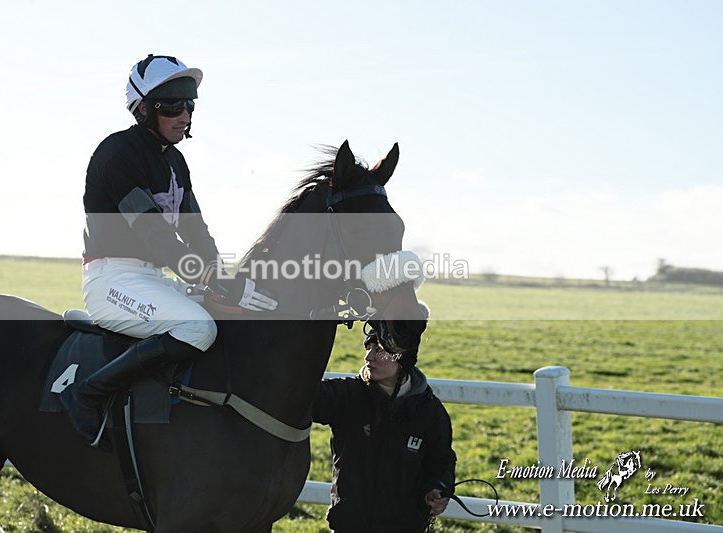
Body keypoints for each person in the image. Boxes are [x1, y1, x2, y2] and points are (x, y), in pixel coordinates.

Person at [60, 54, 277, 448]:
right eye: (173, 105)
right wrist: (215, 280)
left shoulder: (176, 161)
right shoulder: (116, 153)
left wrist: (224, 278)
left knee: (226, 316)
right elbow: (155, 236)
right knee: (197, 327)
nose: (185, 115)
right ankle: (88, 394)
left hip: (153, 280)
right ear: (142, 108)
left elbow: (197, 232)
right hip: (111, 281)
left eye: (190, 104)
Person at [312, 328, 456, 533]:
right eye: (368, 347)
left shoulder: (430, 412)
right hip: (349, 526)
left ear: (402, 358)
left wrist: (438, 490)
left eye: (379, 350)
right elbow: (298, 398)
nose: (368, 356)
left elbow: (442, 463)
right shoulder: (345, 396)